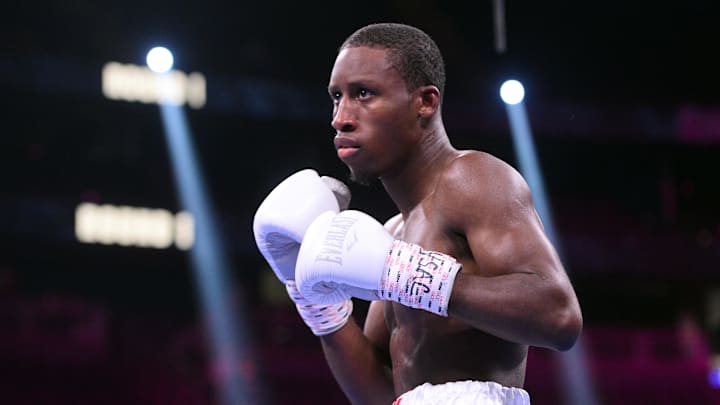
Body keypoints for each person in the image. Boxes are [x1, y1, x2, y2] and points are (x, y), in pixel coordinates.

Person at [254, 22, 583, 404]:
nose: (340, 117)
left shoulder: (473, 178)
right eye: (336, 97)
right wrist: (316, 305)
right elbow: (380, 394)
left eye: (363, 93)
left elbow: (559, 317)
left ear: (425, 102)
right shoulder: (394, 233)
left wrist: (412, 274)